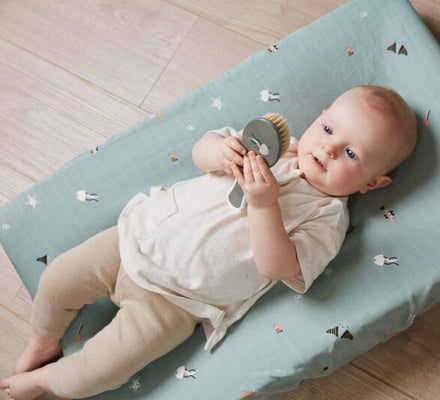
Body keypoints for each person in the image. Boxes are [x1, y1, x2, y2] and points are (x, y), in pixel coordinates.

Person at [0, 85, 417, 400]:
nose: (327, 148)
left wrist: (264, 204)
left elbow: (279, 266)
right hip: (140, 237)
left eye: (351, 154)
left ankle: (45, 380)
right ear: (318, 117)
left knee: (97, 372)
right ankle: (43, 340)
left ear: (372, 183)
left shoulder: (327, 217)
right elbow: (201, 151)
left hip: (178, 303)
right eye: (327, 129)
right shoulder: (272, 146)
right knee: (57, 280)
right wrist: (220, 151)